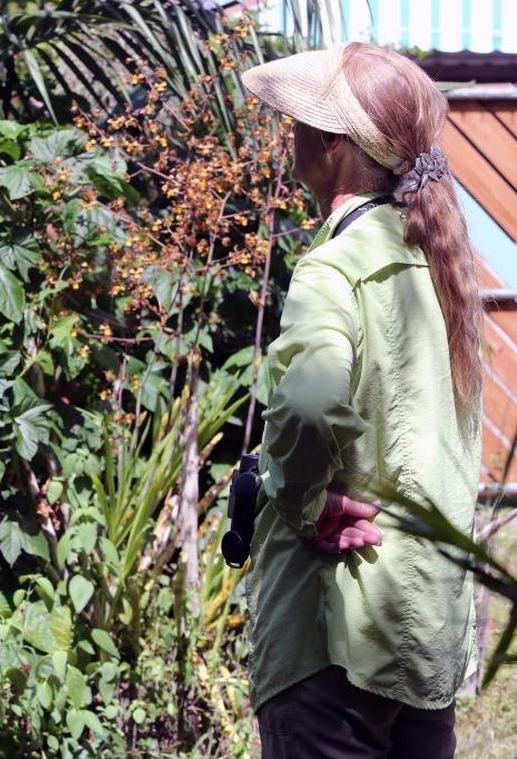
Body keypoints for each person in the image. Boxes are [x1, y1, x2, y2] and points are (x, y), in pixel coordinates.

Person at [241, 42, 484, 758]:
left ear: (332, 143)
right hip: (421, 639)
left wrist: (300, 502)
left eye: (300, 122)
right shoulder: (440, 269)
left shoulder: (334, 269)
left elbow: (310, 406)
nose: (291, 133)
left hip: (332, 640)